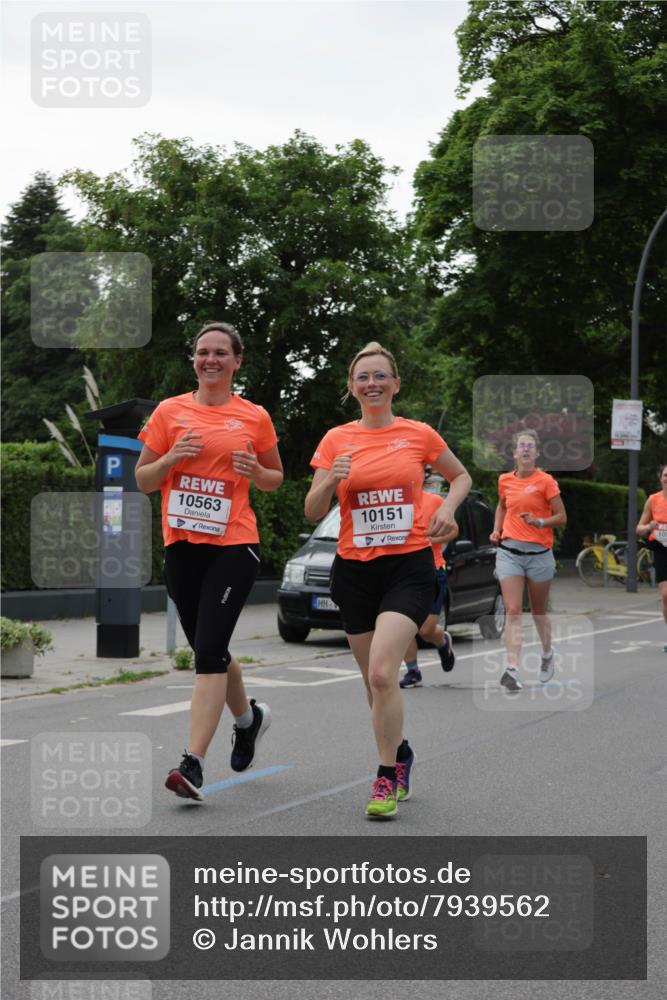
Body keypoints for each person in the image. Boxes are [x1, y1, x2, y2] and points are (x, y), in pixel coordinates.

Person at [305, 342, 471, 818]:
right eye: (363, 378)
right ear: (352, 387)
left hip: (408, 566)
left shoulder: (417, 434)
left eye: (380, 376)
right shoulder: (336, 439)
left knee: (383, 672)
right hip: (354, 570)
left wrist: (445, 506)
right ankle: (400, 753)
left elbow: (459, 477)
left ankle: (384, 779)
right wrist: (326, 480)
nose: (372, 384)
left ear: (395, 384)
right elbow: (313, 510)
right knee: (372, 682)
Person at [135, 321, 283, 800]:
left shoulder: (254, 416)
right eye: (203, 352)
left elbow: (274, 477)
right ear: (194, 360)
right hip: (181, 546)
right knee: (209, 648)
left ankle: (192, 763)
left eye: (221, 352)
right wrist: (172, 456)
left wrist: (255, 470)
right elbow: (143, 479)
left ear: (237, 360)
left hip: (233, 545)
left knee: (207, 654)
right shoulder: (169, 411)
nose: (211, 359)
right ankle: (248, 719)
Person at [489, 429, 567, 691]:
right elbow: (502, 505)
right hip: (509, 552)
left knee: (538, 612)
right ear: (514, 453)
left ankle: (547, 654)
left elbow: (561, 517)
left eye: (529, 447)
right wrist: (497, 529)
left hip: (539, 555)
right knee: (512, 609)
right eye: (521, 446)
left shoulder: (546, 481)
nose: (525, 450)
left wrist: (540, 521)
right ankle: (512, 668)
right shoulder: (504, 480)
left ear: (536, 453)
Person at [400, 469, 459, 688]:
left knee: (425, 630)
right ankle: (413, 671)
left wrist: (433, 537)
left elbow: (454, 531)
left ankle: (442, 642)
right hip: (403, 571)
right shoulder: (396, 502)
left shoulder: (434, 500)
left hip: (433, 568)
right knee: (403, 625)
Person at [636, 463, 667, 651]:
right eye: (665, 475)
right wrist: (648, 527)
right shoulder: (653, 500)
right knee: (665, 596)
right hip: (661, 548)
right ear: (661, 477)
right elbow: (638, 528)